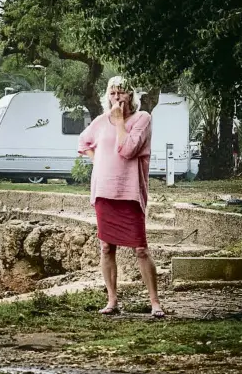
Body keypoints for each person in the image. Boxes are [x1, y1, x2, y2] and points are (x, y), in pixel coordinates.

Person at [77, 76, 164, 318]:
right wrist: (100, 162)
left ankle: (155, 302)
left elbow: (127, 150)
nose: (117, 98)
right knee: (106, 247)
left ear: (131, 96)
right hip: (104, 191)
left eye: (122, 93)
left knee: (140, 249)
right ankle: (112, 300)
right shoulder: (100, 121)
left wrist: (118, 123)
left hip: (129, 192)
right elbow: (83, 142)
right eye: (113, 93)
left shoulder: (142, 119)